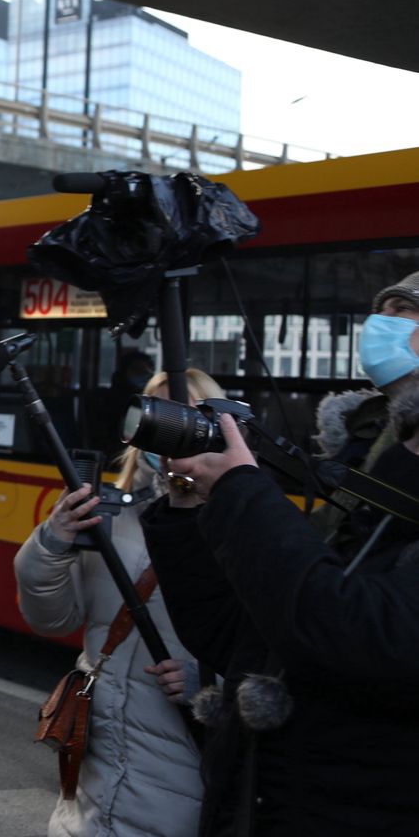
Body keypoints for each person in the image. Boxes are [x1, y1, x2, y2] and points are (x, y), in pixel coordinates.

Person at [142, 283, 419, 836]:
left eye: (407, 309)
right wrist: (187, 507)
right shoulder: (363, 465)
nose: (387, 321)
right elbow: (243, 636)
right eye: (384, 307)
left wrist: (243, 491)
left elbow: (356, 632)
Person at [14, 368, 211, 837]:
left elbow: (273, 649)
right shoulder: (114, 516)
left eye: (180, 420)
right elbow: (52, 617)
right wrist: (52, 541)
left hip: (180, 783)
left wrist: (209, 683)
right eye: (154, 418)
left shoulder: (236, 528)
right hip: (92, 789)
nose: (165, 435)